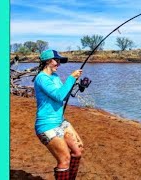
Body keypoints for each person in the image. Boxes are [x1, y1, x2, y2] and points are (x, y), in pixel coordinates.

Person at [33, 49, 83, 180]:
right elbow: (58, 96)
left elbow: (64, 96)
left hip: (60, 121)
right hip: (47, 125)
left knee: (77, 151)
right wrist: (71, 77)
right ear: (48, 61)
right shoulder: (41, 78)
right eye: (57, 61)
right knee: (64, 159)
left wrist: (77, 85)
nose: (59, 64)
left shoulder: (55, 77)